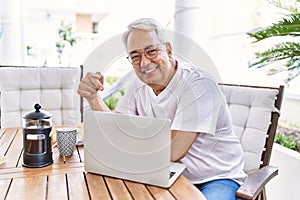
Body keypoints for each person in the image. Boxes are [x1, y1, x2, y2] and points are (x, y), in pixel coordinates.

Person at [77, 18, 247, 200]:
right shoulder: (137, 84)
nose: (144, 63)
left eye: (151, 51)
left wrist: (128, 143)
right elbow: (116, 129)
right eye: (135, 56)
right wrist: (93, 97)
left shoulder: (199, 84)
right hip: (163, 173)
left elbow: (173, 151)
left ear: (168, 50)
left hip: (214, 178)